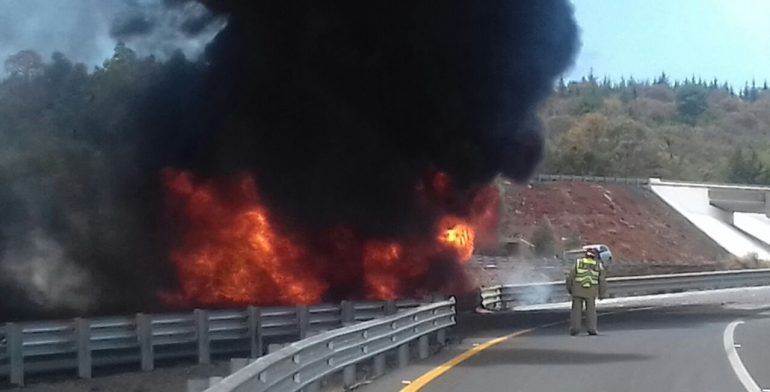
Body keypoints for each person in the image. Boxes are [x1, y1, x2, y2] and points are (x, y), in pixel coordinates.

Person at [566, 248, 607, 336]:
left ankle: (575, 329)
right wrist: (602, 293)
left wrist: (570, 289)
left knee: (576, 311)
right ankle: (592, 329)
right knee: (591, 311)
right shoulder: (598, 266)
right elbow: (602, 281)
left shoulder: (578, 263)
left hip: (577, 290)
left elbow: (570, 278)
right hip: (591, 292)